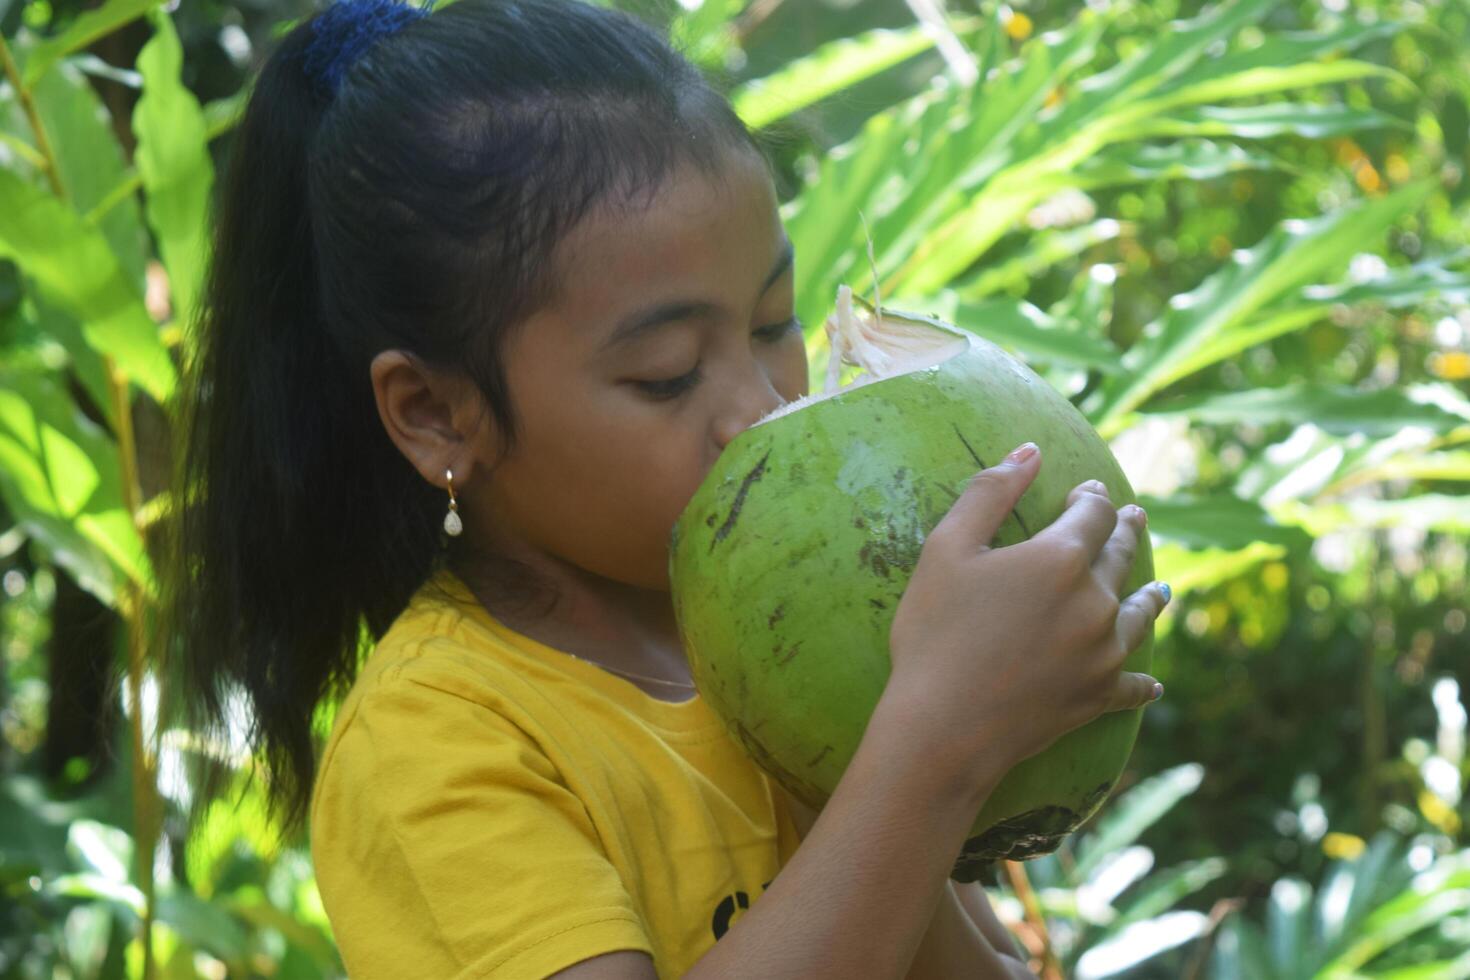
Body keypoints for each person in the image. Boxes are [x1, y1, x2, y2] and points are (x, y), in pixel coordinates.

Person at [158, 0, 1170, 976]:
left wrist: (942, 707)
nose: (760, 405)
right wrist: (929, 745)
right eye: (669, 373)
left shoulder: (772, 626)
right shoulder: (438, 740)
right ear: (436, 414)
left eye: (775, 320)